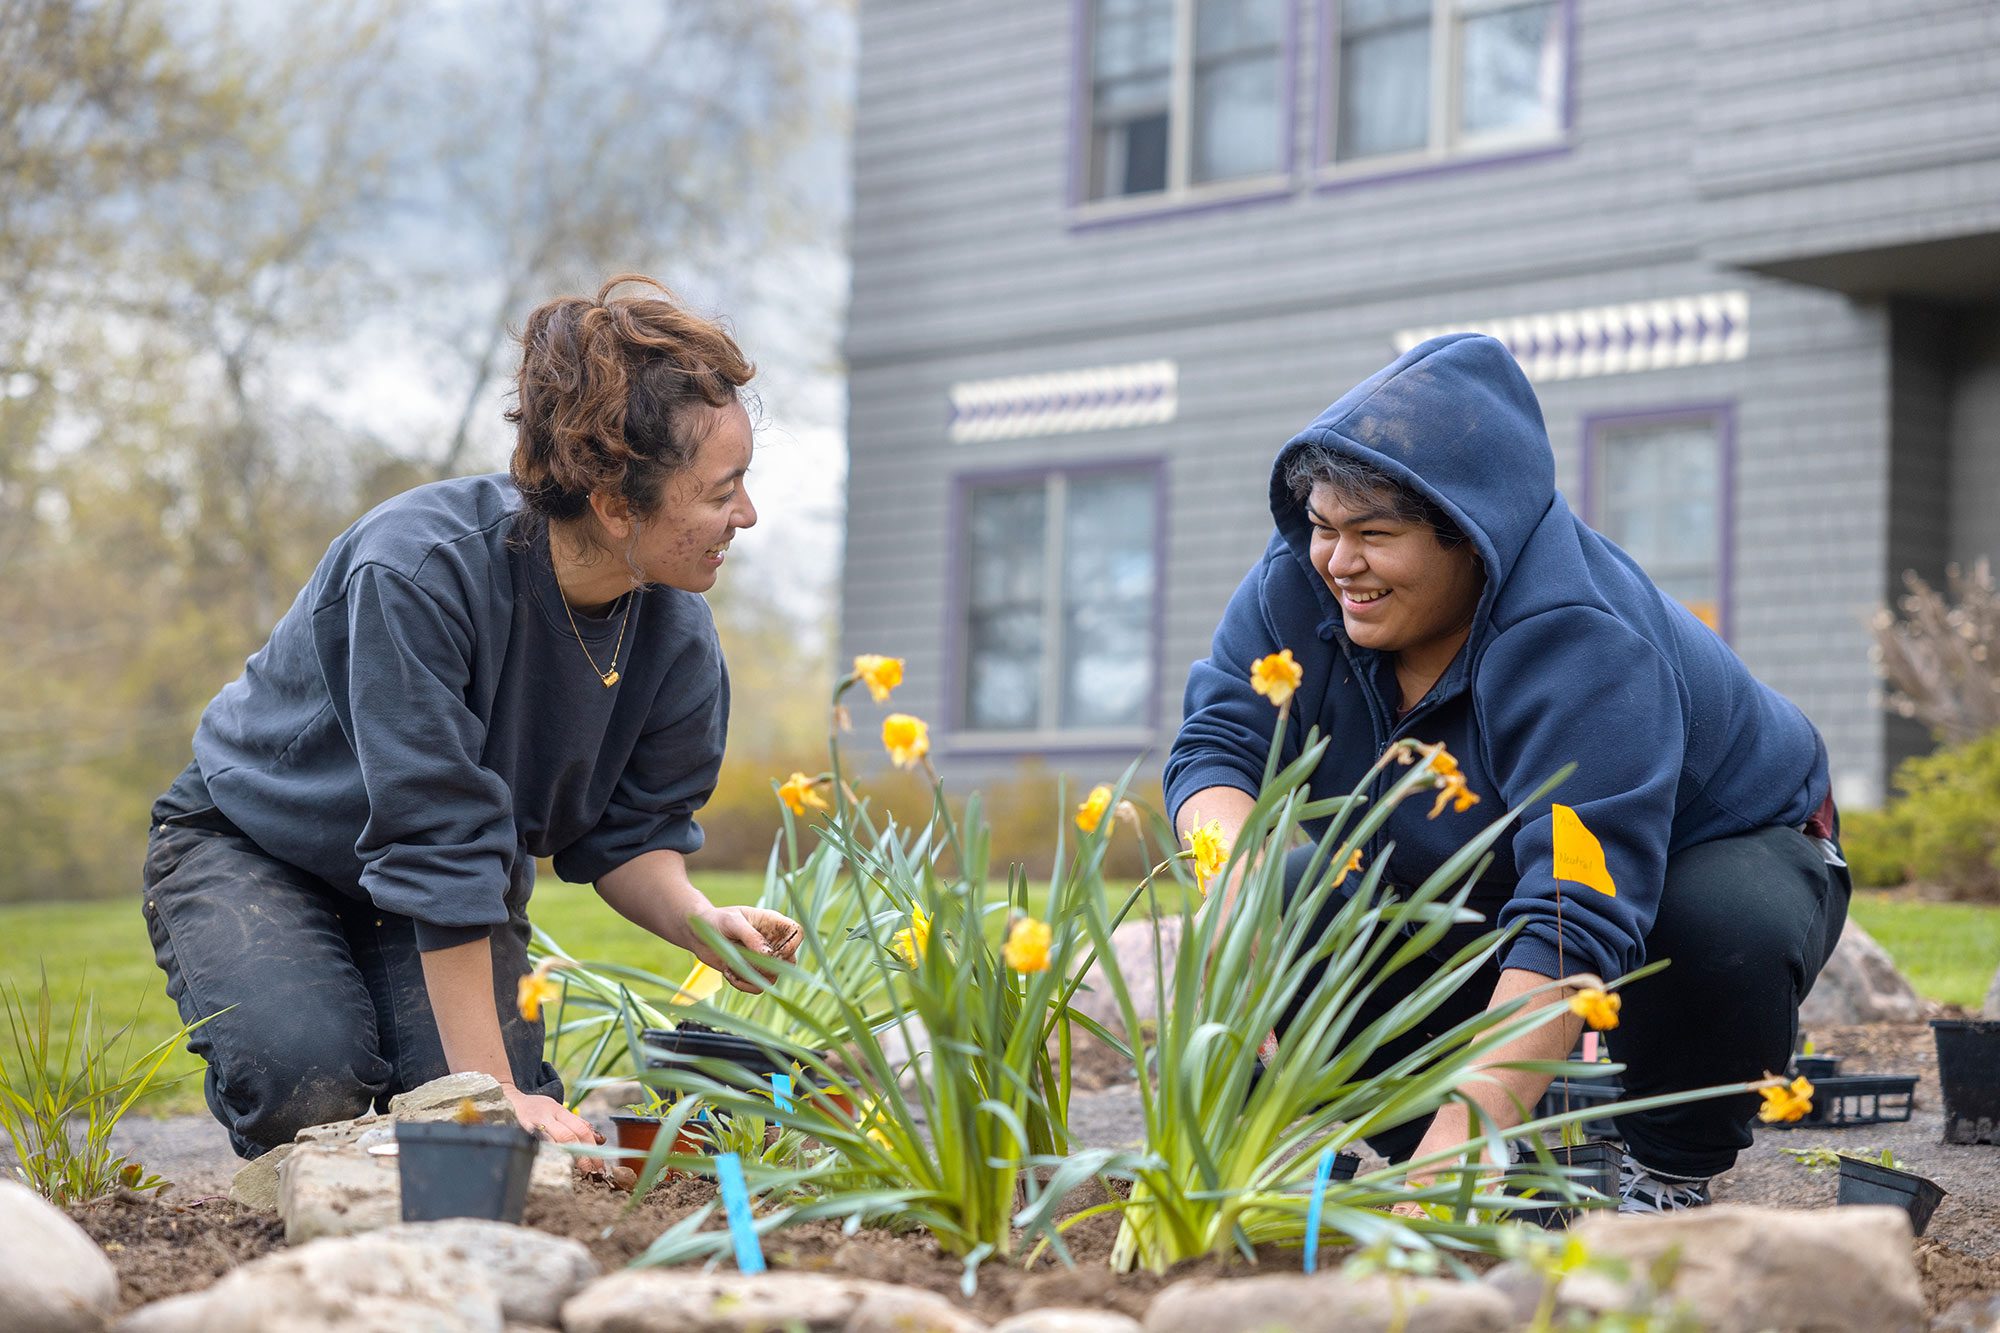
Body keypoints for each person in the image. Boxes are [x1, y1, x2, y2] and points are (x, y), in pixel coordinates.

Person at [1166, 333, 1849, 1213]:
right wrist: (1235, 893)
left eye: (1375, 534)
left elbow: (1575, 906)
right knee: (1290, 908)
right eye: (1326, 528)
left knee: (1718, 917)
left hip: (1714, 846)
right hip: (1470, 862)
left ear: (1472, 538)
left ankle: (1663, 1169)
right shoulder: (1303, 580)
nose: (1339, 562)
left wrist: (1470, 1128)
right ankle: (1469, 1178)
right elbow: (1219, 743)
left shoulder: (1583, 642)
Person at [142, 275, 801, 1164]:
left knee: (481, 1137)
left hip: (440, 891)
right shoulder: (418, 572)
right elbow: (435, 831)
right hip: (260, 848)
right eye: (724, 490)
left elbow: (630, 834)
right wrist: (490, 1097)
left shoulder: (675, 630)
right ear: (615, 505)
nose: (746, 515)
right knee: (320, 1083)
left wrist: (695, 916)